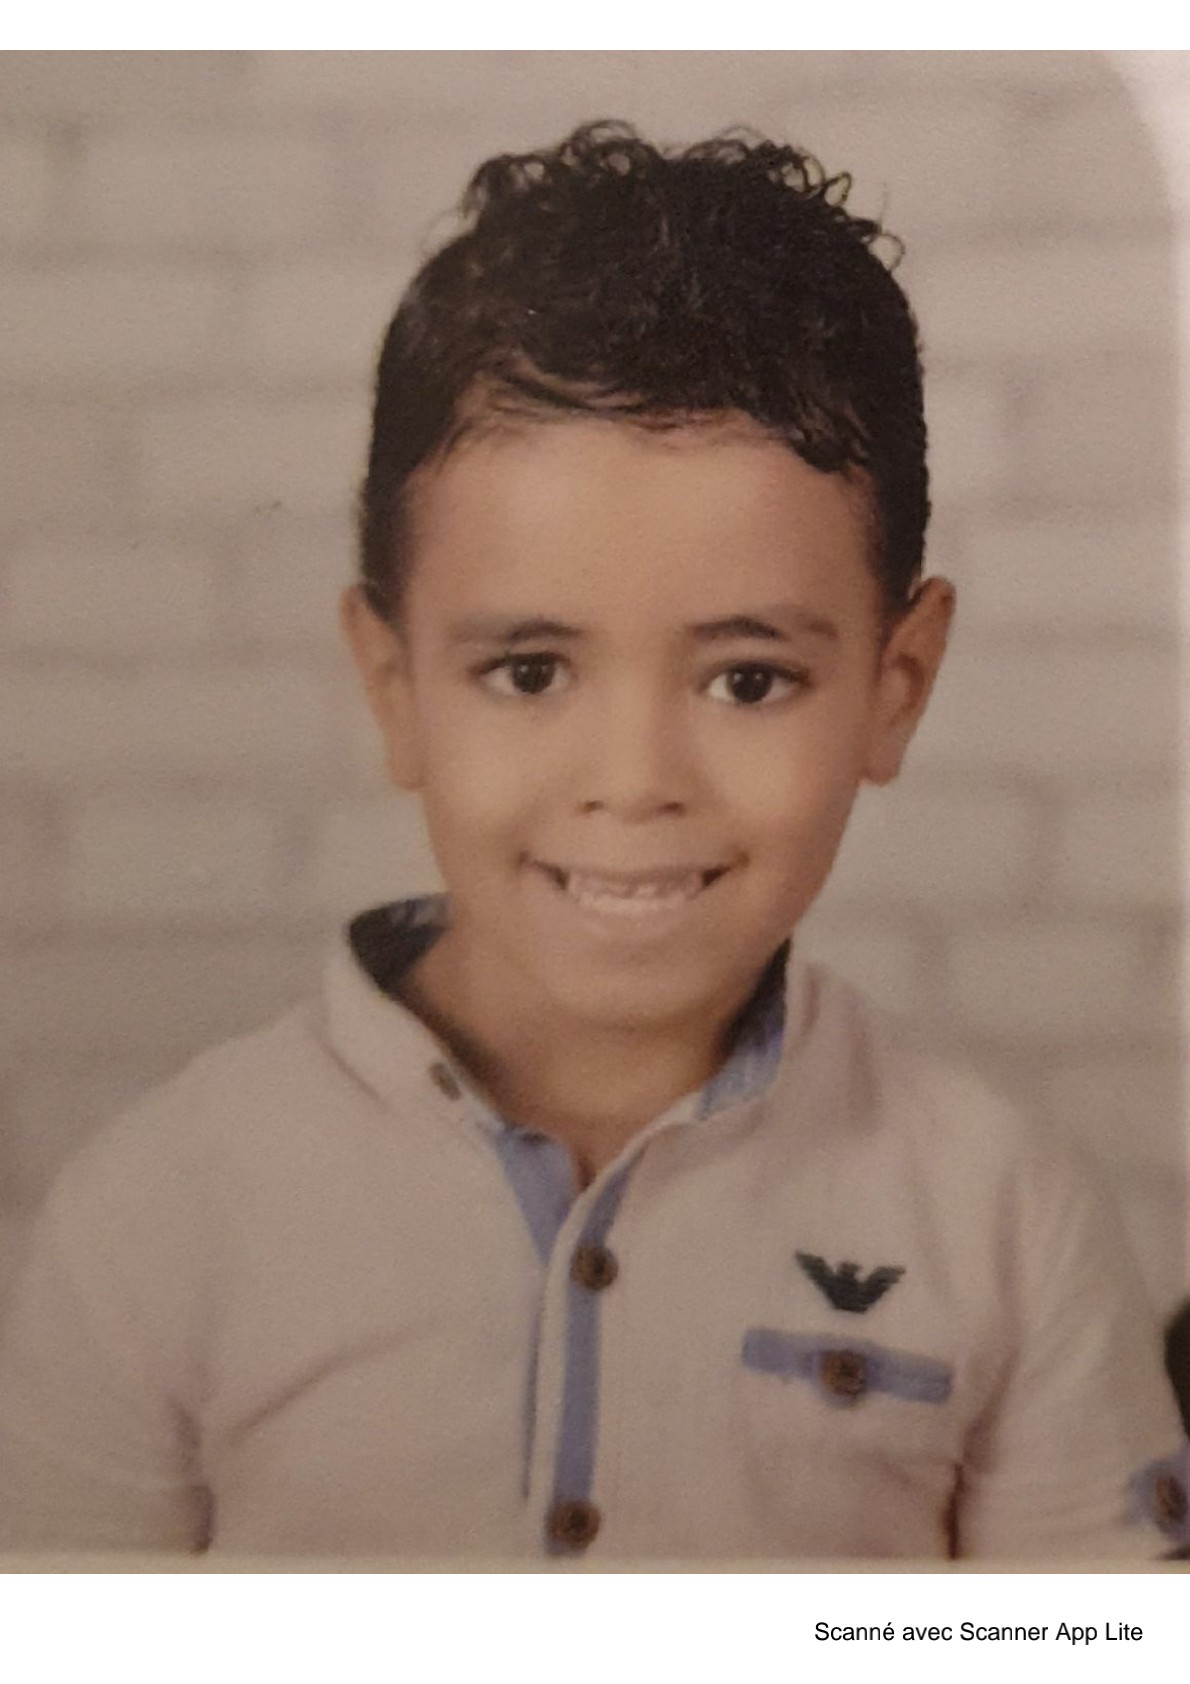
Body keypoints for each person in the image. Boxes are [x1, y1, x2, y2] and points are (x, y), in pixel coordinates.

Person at [0, 122, 1185, 1563]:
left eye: (747, 680)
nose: (632, 784)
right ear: (394, 686)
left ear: (897, 684)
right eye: (529, 671)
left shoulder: (1004, 1217)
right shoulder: (157, 1215)